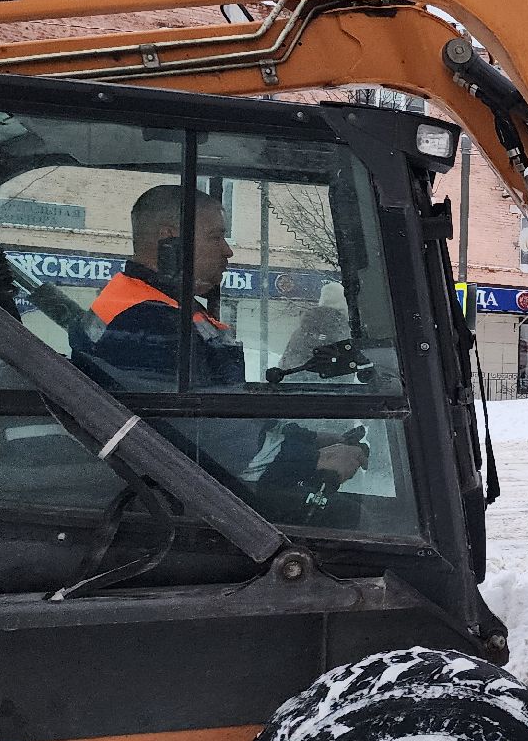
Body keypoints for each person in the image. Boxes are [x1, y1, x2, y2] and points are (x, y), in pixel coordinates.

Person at [75, 185, 369, 514]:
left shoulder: (152, 304)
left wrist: (307, 438)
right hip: (177, 501)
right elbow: (211, 444)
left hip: (184, 484)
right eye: (216, 237)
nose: (228, 251)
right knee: (352, 517)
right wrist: (316, 460)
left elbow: (214, 413)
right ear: (170, 239)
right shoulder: (149, 322)